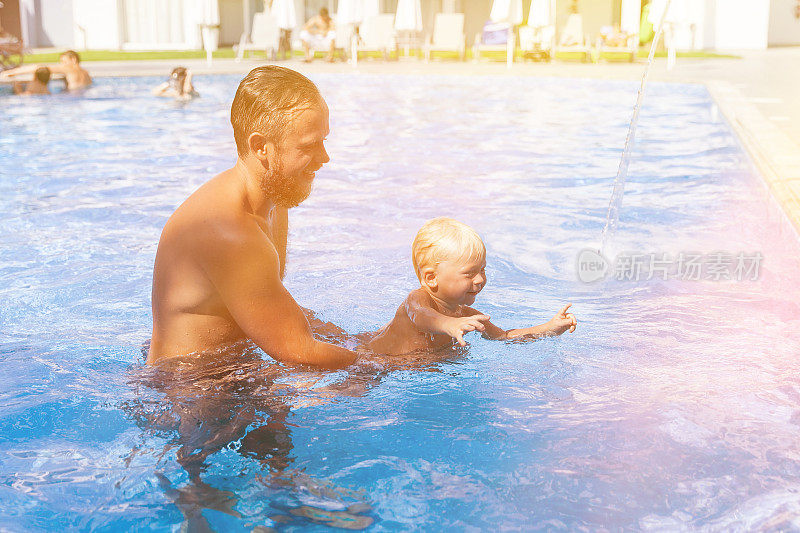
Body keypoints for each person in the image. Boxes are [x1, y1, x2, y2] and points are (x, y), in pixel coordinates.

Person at [148, 66, 357, 369]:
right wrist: (386, 360)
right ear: (261, 147)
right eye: (309, 145)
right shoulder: (231, 233)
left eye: (324, 140)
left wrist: (363, 340)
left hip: (232, 373)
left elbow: (268, 306)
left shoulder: (275, 202)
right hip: (190, 396)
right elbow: (298, 350)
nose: (325, 157)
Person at [366, 217, 577, 355]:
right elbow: (421, 316)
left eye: (482, 270)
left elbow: (503, 337)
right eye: (469, 273)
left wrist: (549, 328)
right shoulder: (418, 300)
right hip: (378, 363)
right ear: (431, 278)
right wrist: (448, 324)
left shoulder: (463, 315)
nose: (479, 280)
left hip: (418, 370)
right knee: (354, 387)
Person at [1, 49, 92, 91]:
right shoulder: (86, 72)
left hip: (71, 97)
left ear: (73, 59)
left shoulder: (68, 69)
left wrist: (10, 72)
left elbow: (40, 68)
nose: (61, 64)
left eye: (64, 61)